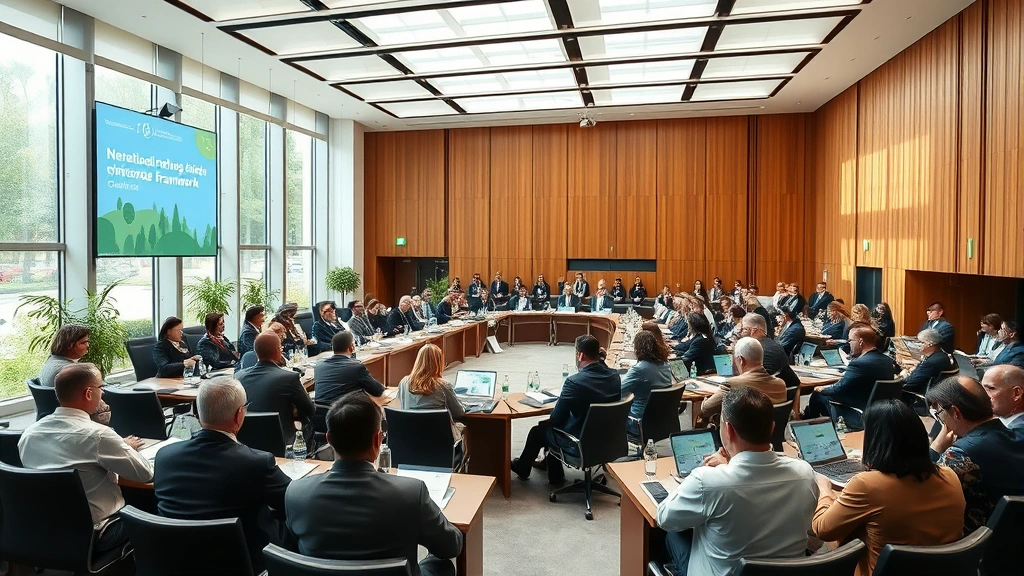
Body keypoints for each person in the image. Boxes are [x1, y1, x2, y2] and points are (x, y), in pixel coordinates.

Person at [285, 391, 463, 576]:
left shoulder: (296, 493)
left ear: (329, 439)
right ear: (377, 440)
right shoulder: (411, 493)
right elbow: (451, 546)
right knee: (442, 565)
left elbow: (291, 554)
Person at [656, 387, 818, 576]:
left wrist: (705, 472)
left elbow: (664, 518)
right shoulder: (805, 474)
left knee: (672, 535)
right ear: (772, 428)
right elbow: (812, 536)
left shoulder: (707, 481)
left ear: (728, 430)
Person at [812, 400, 965, 576]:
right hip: (942, 571)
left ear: (875, 441)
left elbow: (822, 530)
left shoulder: (866, 485)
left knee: (839, 537)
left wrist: (825, 489)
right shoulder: (949, 475)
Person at [153, 378, 291, 571]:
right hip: (242, 564)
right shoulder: (256, 462)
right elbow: (291, 502)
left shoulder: (164, 456)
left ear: (197, 413)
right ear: (239, 414)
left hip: (179, 562)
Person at [18, 363, 153, 555]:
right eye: (101, 387)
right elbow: (145, 474)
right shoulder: (99, 436)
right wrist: (120, 447)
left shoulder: (29, 434)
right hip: (97, 535)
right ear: (89, 393)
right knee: (153, 504)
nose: (103, 393)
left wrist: (117, 446)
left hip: (46, 530)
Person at [511, 335, 620, 483]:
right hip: (608, 440)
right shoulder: (614, 376)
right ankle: (554, 474)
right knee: (554, 427)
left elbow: (556, 418)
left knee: (539, 431)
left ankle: (523, 469)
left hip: (579, 443)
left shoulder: (574, 382)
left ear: (580, 355)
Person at [926, 376, 1024, 532]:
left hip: (981, 538)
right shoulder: (1019, 432)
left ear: (956, 412)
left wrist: (935, 449)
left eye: (940, 413)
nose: (941, 420)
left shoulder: (960, 455)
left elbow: (923, 489)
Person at [803, 326, 897, 428]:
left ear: (860, 342)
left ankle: (808, 427)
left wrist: (821, 389)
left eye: (850, 340)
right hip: (881, 413)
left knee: (818, 396)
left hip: (859, 414)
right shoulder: (887, 361)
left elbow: (837, 389)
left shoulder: (859, 364)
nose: (849, 344)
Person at [236, 332, 316, 445]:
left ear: (256, 352)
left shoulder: (238, 376)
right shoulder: (289, 378)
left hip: (246, 441)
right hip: (283, 442)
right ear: (278, 351)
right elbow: (310, 410)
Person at [397, 344, 467, 464]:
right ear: (439, 362)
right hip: (441, 447)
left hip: (411, 444)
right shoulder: (443, 386)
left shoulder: (404, 382)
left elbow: (402, 402)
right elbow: (459, 413)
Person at [697, 338, 787, 428]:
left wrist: (706, 398)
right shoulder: (781, 385)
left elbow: (706, 408)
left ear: (740, 360)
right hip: (772, 435)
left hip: (740, 435)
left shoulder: (732, 384)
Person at [38, 323, 110, 425]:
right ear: (70, 345)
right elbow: (99, 409)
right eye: (83, 343)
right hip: (81, 422)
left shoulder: (51, 361)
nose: (88, 346)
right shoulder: (69, 372)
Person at [621, 330, 672, 436]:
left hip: (637, 422)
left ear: (637, 349)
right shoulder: (665, 365)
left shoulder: (639, 369)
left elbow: (619, 391)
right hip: (662, 420)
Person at [314, 331, 385, 406]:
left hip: (320, 411)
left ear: (333, 348)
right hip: (343, 411)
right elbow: (377, 391)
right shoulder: (356, 367)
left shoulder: (318, 367)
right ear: (351, 347)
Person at [739, 314, 801, 393]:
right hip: (780, 395)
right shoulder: (776, 346)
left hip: (759, 395)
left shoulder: (753, 349)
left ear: (754, 330)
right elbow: (795, 382)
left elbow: (750, 381)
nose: (741, 332)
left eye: (744, 329)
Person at [901, 328, 955, 394]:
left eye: (920, 342)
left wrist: (902, 377)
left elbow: (910, 384)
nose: (917, 345)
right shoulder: (940, 355)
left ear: (929, 344)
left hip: (918, 394)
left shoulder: (932, 362)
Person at [981, 364, 1024, 430]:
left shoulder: (1016, 432)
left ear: (1016, 393)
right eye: (982, 388)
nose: (982, 394)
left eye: (991, 388)